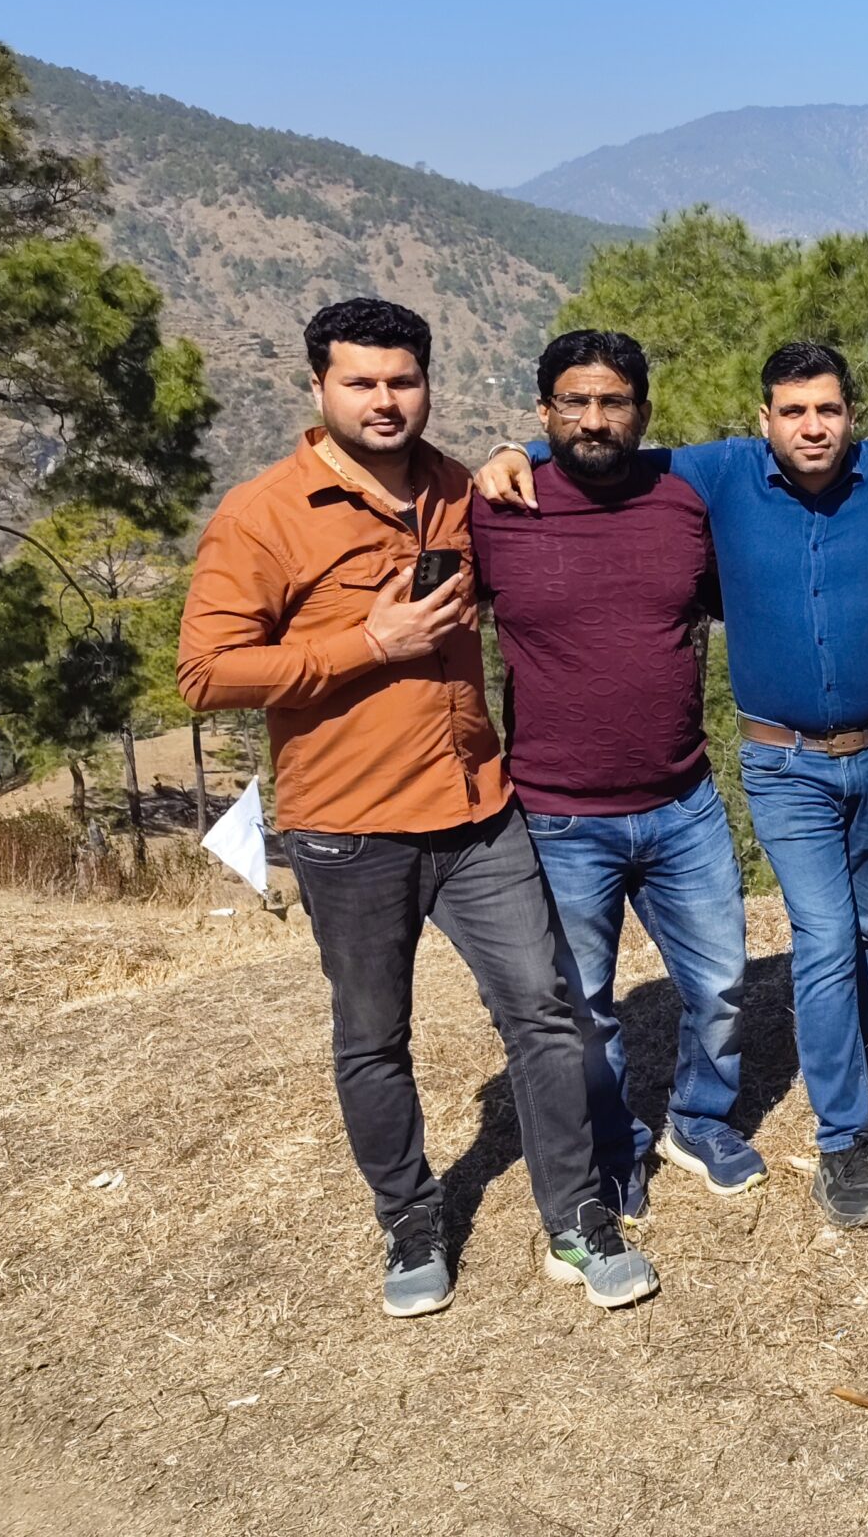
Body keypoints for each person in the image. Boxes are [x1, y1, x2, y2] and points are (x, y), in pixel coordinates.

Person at [178, 298, 658, 1317]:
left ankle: (578, 1216)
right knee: (373, 1036)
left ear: (426, 383)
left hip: (477, 810)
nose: (384, 400)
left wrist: (514, 452)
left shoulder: (456, 488)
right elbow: (206, 671)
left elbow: (587, 456)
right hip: (346, 825)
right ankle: (409, 1219)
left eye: (402, 380)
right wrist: (369, 643)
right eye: (360, 382)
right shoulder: (263, 514)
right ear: (318, 387)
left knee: (546, 1013)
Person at [476, 341, 868, 1231]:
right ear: (763, 419)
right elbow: (604, 443)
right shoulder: (719, 472)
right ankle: (841, 1138)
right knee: (821, 937)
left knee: (856, 934)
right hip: (778, 762)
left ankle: (813, 1090)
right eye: (793, 411)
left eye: (829, 410)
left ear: (852, 416)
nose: (813, 426)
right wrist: (517, 451)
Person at [470, 330, 757, 1221]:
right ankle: (613, 1145)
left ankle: (698, 1121)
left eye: (614, 401)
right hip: (557, 817)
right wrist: (504, 457)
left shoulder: (682, 503)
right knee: (583, 1009)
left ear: (643, 411)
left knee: (721, 985)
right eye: (574, 402)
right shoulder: (497, 510)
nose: (594, 419)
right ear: (543, 410)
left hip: (683, 801)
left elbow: (770, 468)